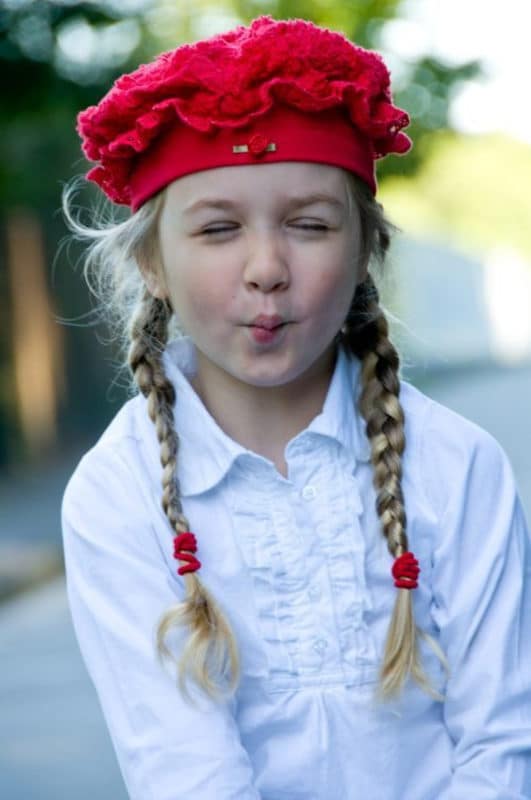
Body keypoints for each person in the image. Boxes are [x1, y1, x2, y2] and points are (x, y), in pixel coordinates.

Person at [61, 15, 531, 800]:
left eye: (309, 225)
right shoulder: (117, 495)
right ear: (152, 264)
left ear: (364, 250)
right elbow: (185, 773)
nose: (267, 268)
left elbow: (503, 744)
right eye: (217, 229)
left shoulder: (458, 464)